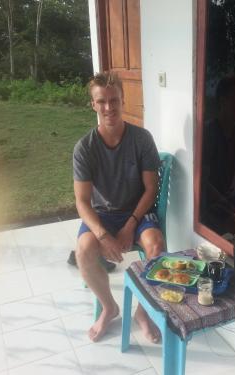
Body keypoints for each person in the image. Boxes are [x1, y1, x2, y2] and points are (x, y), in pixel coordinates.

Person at [73, 72, 164, 343]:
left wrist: (130, 224)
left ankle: (143, 312)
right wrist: (103, 234)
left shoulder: (142, 139)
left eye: (114, 100)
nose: (109, 107)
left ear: (123, 101)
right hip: (102, 214)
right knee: (84, 250)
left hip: (137, 210)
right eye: (102, 101)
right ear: (93, 104)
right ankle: (109, 307)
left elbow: (151, 189)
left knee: (156, 246)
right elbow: (82, 201)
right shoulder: (84, 148)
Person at [201, 75, 235, 235]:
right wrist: (226, 204)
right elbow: (203, 182)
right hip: (208, 205)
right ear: (223, 101)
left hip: (226, 199)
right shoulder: (208, 133)